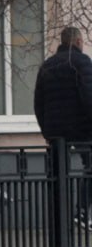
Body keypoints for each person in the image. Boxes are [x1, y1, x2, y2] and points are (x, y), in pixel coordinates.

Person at [34, 25, 92, 229]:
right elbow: (89, 96)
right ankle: (82, 211)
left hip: (55, 131)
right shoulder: (82, 63)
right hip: (82, 129)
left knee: (58, 174)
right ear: (78, 42)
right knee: (90, 167)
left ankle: (59, 222)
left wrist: (46, 130)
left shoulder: (47, 66)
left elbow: (38, 102)